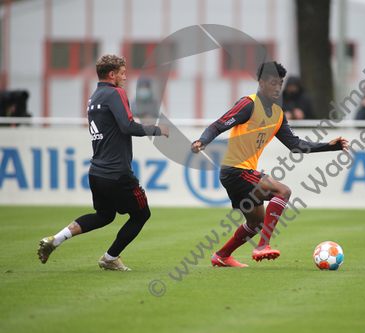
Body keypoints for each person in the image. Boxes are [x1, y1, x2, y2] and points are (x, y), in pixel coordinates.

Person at [191, 61, 348, 267]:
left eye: (280, 83)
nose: (277, 88)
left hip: (242, 173)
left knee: (255, 223)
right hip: (235, 170)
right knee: (282, 191)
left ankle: (221, 255)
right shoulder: (248, 104)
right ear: (261, 83)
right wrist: (202, 141)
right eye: (273, 83)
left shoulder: (278, 114)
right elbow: (219, 124)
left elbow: (295, 145)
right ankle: (263, 246)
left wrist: (330, 146)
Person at [37, 54, 169, 270]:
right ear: (112, 74)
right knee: (142, 214)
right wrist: (156, 129)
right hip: (118, 173)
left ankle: (57, 239)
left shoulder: (94, 98)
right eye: (123, 73)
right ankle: (110, 258)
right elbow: (128, 126)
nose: (125, 78)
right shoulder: (116, 93)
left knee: (104, 215)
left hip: (96, 172)